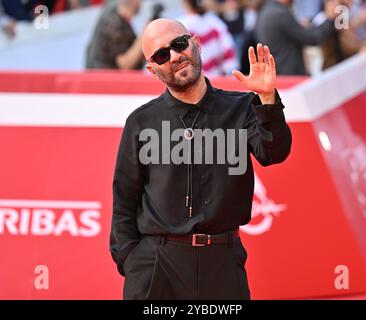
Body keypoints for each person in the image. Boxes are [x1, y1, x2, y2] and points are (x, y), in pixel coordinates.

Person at [109, 18, 292, 300]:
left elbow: (274, 153)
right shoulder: (141, 123)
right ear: (152, 69)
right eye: (161, 55)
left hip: (222, 264)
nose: (174, 56)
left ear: (196, 42)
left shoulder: (242, 108)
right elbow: (124, 202)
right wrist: (132, 263)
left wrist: (267, 98)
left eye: (179, 44)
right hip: (157, 268)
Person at [254, 0, 339, 75]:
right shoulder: (281, 13)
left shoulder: (264, 12)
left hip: (277, 75)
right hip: (290, 75)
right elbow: (312, 38)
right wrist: (328, 18)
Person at [86, 0, 143, 69]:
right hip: (103, 77)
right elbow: (125, 65)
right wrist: (143, 37)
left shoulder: (118, 18)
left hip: (102, 76)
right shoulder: (114, 22)